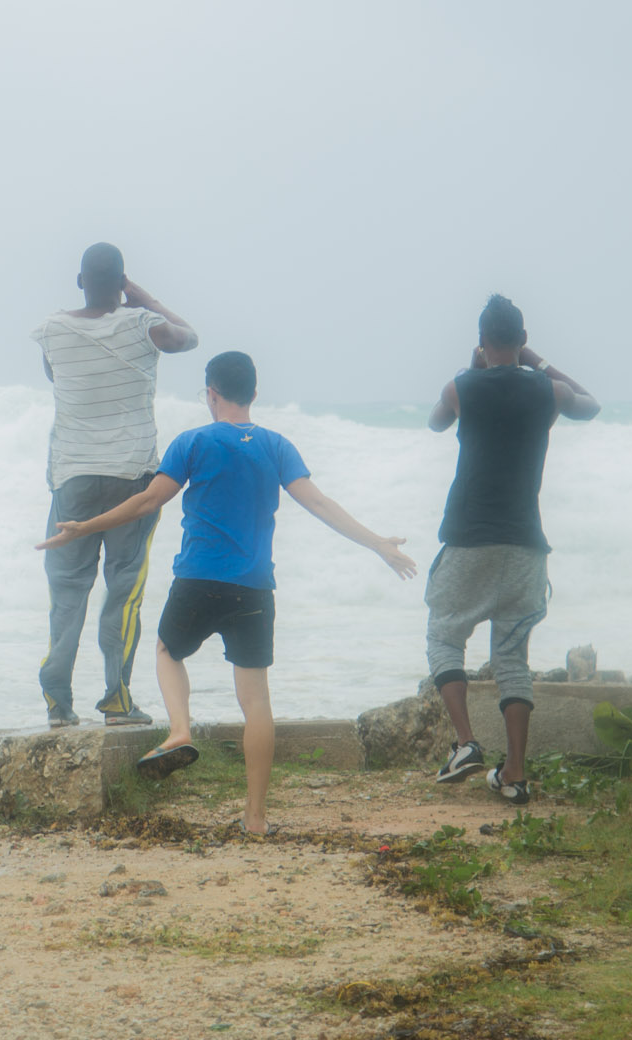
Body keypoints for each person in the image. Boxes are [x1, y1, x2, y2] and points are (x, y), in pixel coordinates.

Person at [37, 351, 415, 834]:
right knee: (256, 700)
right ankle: (255, 818)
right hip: (255, 586)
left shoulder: (192, 441)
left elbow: (149, 500)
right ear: (254, 394)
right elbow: (320, 504)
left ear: (211, 394)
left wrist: (85, 527)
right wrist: (377, 542)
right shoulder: (277, 446)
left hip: (198, 578)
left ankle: (180, 731)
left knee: (167, 650)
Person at [425, 294, 600, 805]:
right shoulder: (549, 391)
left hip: (468, 536)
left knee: (443, 635)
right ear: (522, 341)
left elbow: (435, 422)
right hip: (525, 541)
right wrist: (538, 363)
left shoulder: (462, 387)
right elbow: (591, 404)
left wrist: (469, 367)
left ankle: (465, 744)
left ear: (482, 342)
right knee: (511, 656)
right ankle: (516, 774)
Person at [31, 242, 197, 728]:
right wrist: (145, 300)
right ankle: (117, 700)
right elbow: (190, 338)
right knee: (123, 592)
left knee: (67, 593)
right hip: (133, 481)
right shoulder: (144, 325)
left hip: (72, 477)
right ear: (123, 282)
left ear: (80, 281)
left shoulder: (52, 331)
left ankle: (57, 704)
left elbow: (54, 376)